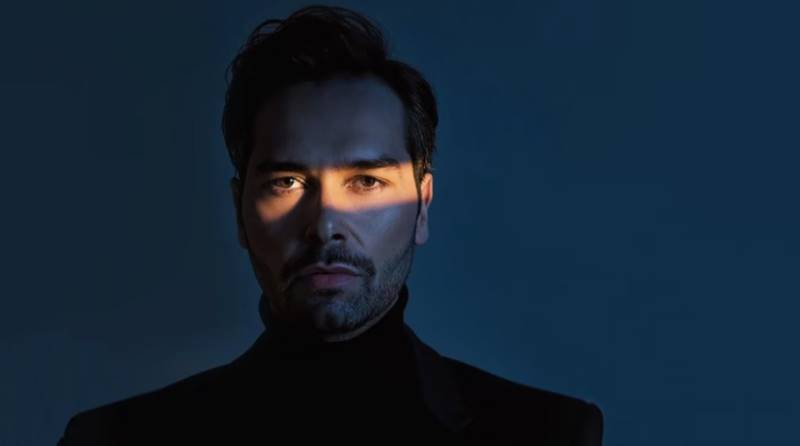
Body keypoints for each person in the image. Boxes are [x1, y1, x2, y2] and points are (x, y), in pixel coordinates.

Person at [58, 5, 603, 445]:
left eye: (366, 181)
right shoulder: (114, 439)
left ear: (422, 207)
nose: (324, 224)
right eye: (287, 182)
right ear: (239, 210)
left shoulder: (546, 434)